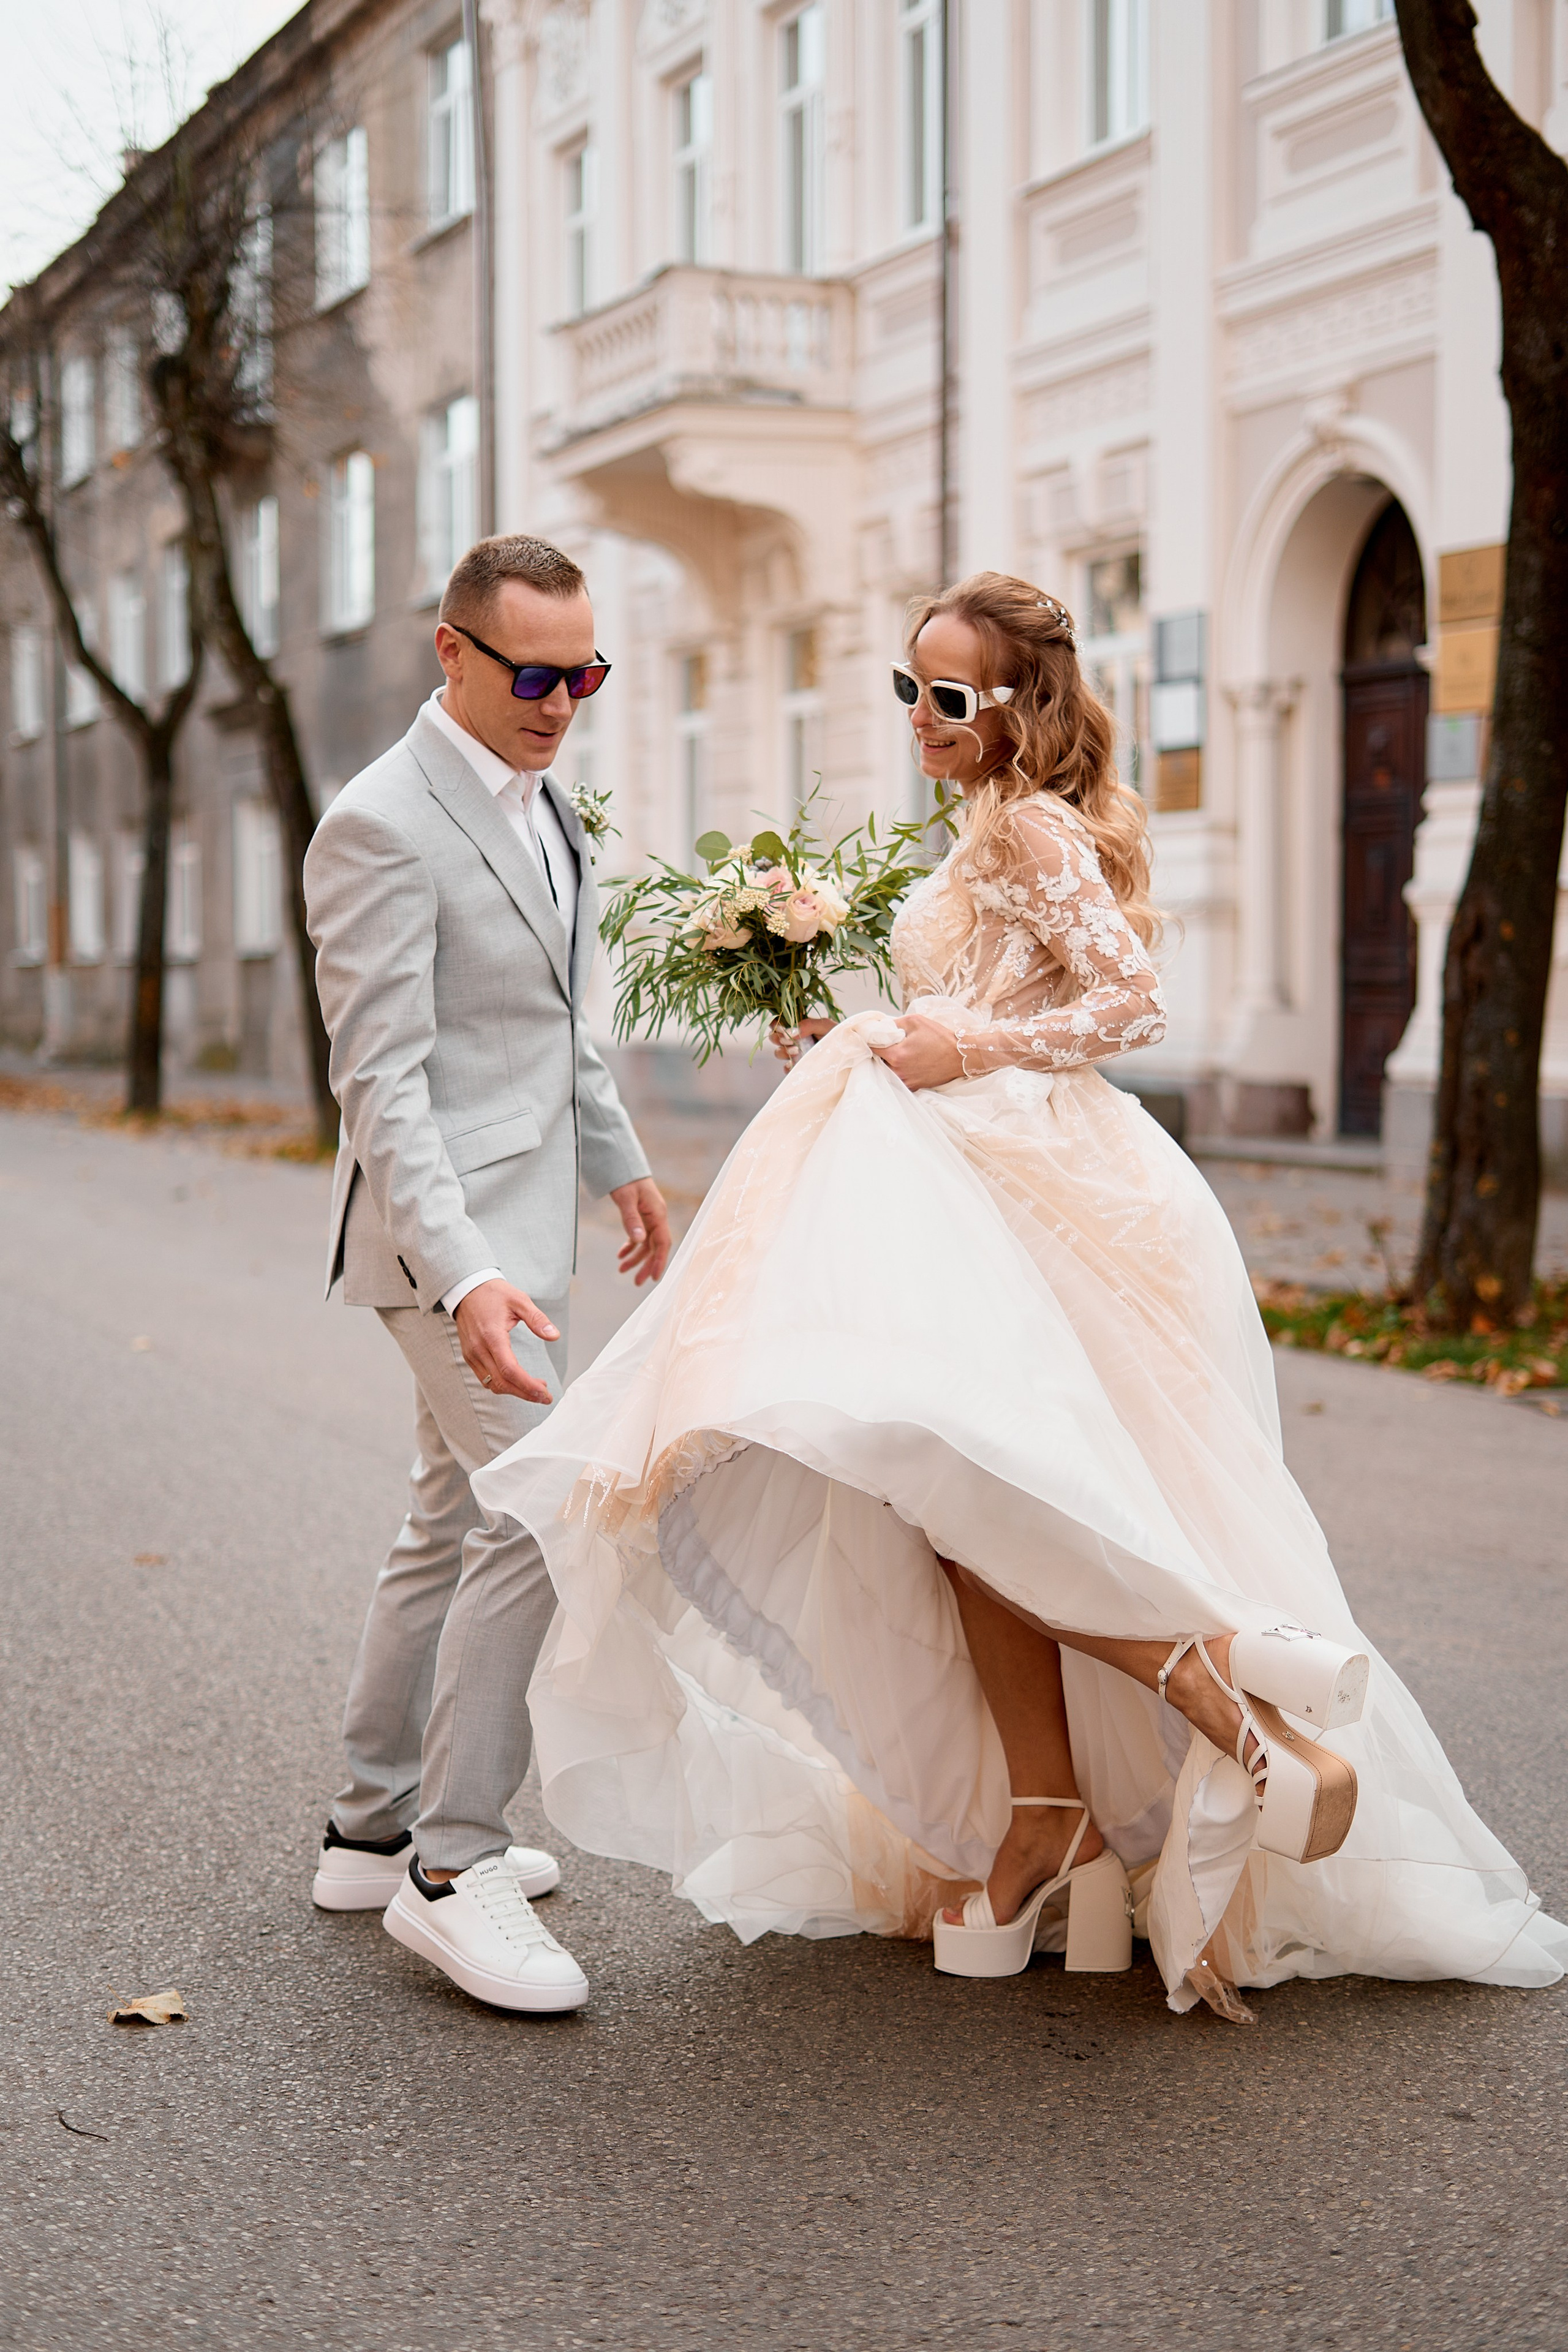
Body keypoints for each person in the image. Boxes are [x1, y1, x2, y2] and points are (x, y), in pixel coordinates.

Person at [469, 570, 1565, 2019]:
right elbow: (987, 999)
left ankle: (1211, 1691)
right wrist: (869, 1036)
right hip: (973, 1168)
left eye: (949, 697)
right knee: (944, 1487)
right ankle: (1065, 1799)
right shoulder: (983, 827)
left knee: (977, 1481)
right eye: (905, 688)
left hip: (1036, 1183)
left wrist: (948, 1049)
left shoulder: (1030, 823)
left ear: (1014, 708)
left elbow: (1126, 1004)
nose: (919, 717)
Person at [303, 533, 669, 2015]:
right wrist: (461, 1280)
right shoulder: (379, 823)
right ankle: (452, 1872)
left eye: (583, 673)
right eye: (532, 672)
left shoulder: (550, 803)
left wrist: (621, 1162)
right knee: (546, 1502)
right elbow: (381, 1085)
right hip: (438, 1247)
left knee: (446, 1520)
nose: (560, 700)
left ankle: (367, 1826)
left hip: (531, 1233)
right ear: (448, 653)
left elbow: (557, 1034)